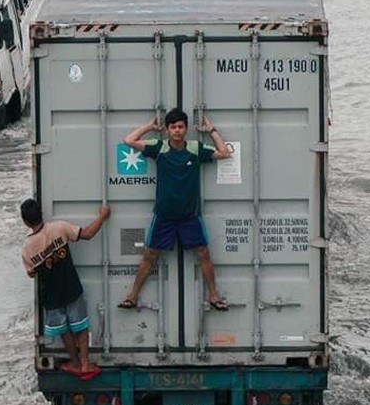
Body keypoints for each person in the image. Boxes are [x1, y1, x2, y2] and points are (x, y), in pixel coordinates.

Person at [117, 109, 231, 311]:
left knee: (203, 253)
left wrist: (211, 130)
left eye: (180, 127)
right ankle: (133, 296)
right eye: (173, 127)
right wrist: (150, 127)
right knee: (150, 255)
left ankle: (214, 296)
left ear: (186, 129)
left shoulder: (195, 149)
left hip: (190, 216)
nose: (177, 131)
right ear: (168, 130)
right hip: (164, 217)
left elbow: (224, 153)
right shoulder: (159, 148)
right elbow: (128, 140)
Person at [21, 198, 111, 378]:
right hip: (71, 288)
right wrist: (102, 216)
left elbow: (31, 273)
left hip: (51, 297)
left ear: (25, 221)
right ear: (42, 214)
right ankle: (85, 363)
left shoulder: (27, 247)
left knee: (64, 330)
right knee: (80, 326)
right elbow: (87, 234)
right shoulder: (59, 228)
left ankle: (75, 362)